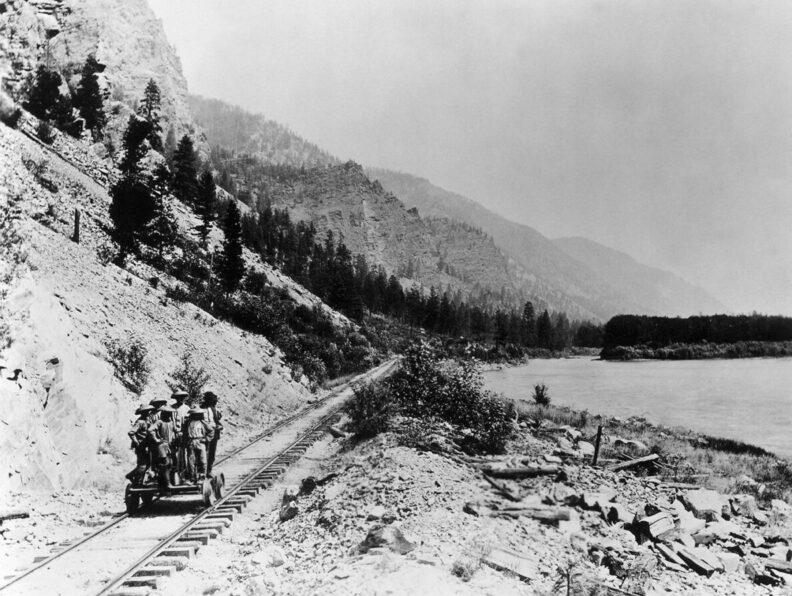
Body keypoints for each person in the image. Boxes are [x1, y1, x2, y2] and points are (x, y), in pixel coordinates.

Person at [148, 405, 177, 493]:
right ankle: (167, 484)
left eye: (170, 414)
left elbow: (175, 430)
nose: (169, 416)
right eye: (167, 414)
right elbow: (150, 430)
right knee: (164, 464)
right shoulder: (159, 422)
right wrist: (156, 439)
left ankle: (166, 484)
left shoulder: (171, 422)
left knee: (171, 464)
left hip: (170, 445)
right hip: (162, 445)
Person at [125, 404, 155, 486]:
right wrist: (138, 443)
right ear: (143, 412)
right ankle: (137, 481)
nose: (149, 413)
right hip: (141, 447)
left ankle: (133, 476)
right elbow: (131, 433)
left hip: (147, 446)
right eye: (147, 412)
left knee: (147, 464)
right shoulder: (140, 422)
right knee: (142, 465)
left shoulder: (147, 420)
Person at [183, 408, 214, 482]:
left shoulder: (203, 423)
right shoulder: (188, 423)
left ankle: (202, 475)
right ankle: (192, 476)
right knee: (191, 460)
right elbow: (184, 433)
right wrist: (186, 440)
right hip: (191, 442)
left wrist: (206, 439)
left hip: (200, 441)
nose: (196, 416)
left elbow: (211, 431)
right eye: (194, 415)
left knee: (202, 459)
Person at [201, 391, 223, 477]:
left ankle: (209, 470)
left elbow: (217, 420)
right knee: (203, 453)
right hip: (204, 433)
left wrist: (219, 426)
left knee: (212, 453)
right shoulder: (201, 409)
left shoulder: (214, 409)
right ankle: (203, 471)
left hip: (214, 432)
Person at [170, 388, 190, 483]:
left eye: (182, 397)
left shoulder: (186, 409)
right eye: (178, 398)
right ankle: (175, 474)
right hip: (174, 435)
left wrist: (184, 432)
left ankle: (184, 474)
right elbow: (170, 422)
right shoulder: (171, 408)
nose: (180, 399)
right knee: (174, 455)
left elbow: (188, 422)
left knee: (184, 454)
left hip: (184, 435)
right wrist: (175, 432)